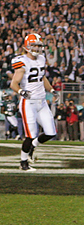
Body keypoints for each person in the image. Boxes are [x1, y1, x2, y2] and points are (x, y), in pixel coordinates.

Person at [10, 33, 59, 171]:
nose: (37, 48)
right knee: (30, 135)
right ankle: (23, 163)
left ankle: (33, 147)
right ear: (27, 46)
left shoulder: (42, 59)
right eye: (35, 45)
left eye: (39, 46)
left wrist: (51, 90)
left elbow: (42, 78)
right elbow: (14, 83)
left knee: (51, 132)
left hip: (42, 101)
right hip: (28, 102)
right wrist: (21, 92)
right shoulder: (22, 61)